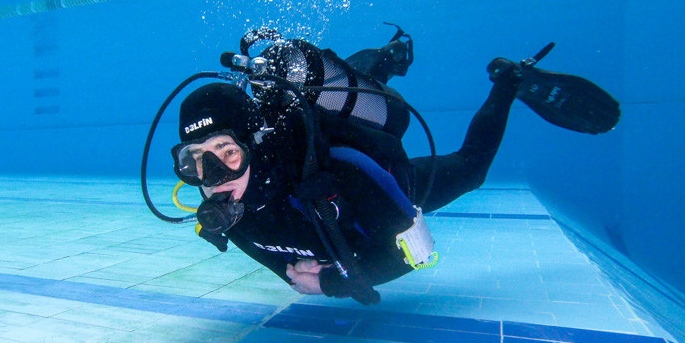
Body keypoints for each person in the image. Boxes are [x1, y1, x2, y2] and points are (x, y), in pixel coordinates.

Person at [169, 30, 619, 300]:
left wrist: (333, 285)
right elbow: (282, 264)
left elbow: (416, 254)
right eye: (195, 163)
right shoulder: (225, 213)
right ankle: (384, 60)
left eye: (228, 153)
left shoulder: (338, 174)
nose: (214, 182)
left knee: (471, 168)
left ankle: (508, 81)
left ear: (256, 144)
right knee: (329, 100)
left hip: (391, 182)